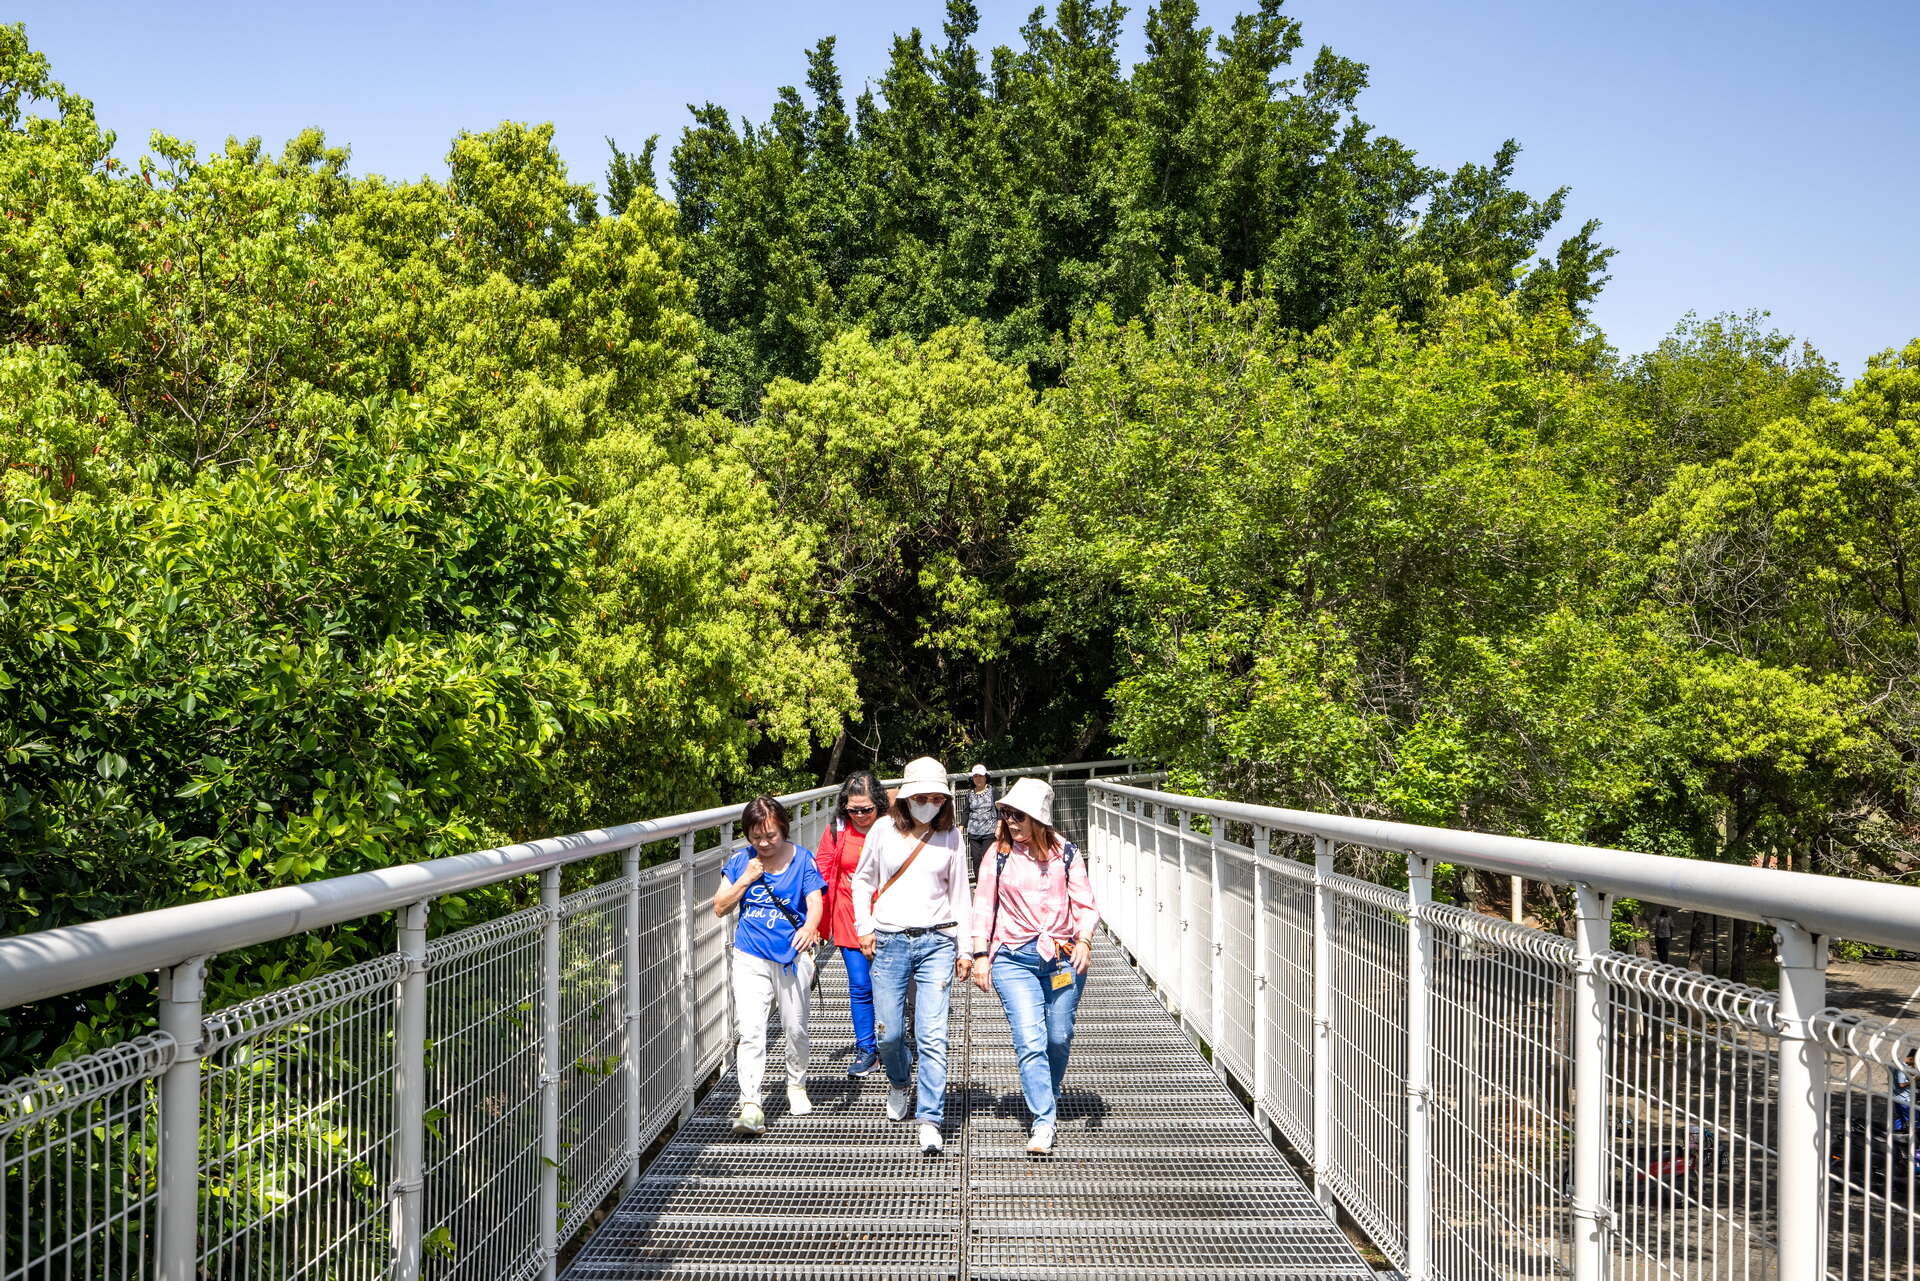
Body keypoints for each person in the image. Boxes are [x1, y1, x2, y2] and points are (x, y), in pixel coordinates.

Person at [970, 776, 1098, 1155]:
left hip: (1063, 955)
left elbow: (1086, 906)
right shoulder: (998, 853)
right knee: (1031, 1038)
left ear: (1038, 818)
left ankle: (1048, 1093)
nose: (1010, 821)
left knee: (1058, 1037)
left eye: (1018, 815)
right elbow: (983, 905)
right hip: (1013, 955)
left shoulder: (1068, 854)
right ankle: (1044, 1121)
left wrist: (1086, 941)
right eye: (1007, 813)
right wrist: (980, 955)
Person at [853, 756, 972, 1155]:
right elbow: (863, 879)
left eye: (936, 798)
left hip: (937, 941)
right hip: (889, 941)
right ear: (905, 797)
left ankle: (930, 1117)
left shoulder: (952, 835)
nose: (929, 804)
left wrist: (966, 948)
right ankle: (901, 1082)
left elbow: (961, 896)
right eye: (921, 797)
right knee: (890, 1034)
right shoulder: (884, 829)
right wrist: (864, 926)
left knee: (933, 1035)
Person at [713, 795, 825, 1136]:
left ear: (783, 830)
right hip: (750, 955)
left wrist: (808, 928)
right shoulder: (739, 862)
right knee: (751, 1031)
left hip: (791, 957)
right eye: (756, 837)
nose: (763, 843)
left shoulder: (803, 860)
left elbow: (815, 903)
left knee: (795, 1028)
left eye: (770, 836)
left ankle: (796, 1084)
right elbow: (719, 907)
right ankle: (751, 1104)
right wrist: (745, 878)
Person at [814, 771, 888, 1077]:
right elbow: (819, 872)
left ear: (879, 805)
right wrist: (814, 922)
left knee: (891, 986)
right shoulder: (837, 829)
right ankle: (867, 1049)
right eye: (853, 809)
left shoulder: (894, 826)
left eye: (866, 809)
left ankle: (892, 1044)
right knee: (860, 985)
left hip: (888, 914)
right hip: (848, 916)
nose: (859, 815)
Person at [959, 763, 998, 875]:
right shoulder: (970, 794)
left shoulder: (992, 791)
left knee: (988, 858)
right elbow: (966, 811)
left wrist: (999, 825)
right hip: (974, 831)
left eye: (980, 776)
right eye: (975, 776)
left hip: (990, 831)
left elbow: (999, 809)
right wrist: (960, 828)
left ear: (986, 777)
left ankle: (990, 885)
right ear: (972, 778)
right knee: (976, 859)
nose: (978, 779)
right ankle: (979, 885)